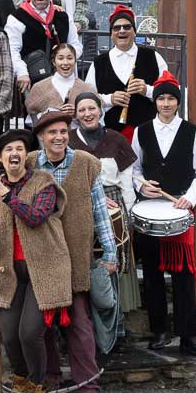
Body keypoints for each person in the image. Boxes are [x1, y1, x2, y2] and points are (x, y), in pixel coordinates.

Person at [31, 110, 117, 393]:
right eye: (52, 133)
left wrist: (109, 252)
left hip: (76, 257)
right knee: (43, 324)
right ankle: (51, 377)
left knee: (80, 326)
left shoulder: (85, 164)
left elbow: (99, 212)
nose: (58, 137)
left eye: (63, 132)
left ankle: (89, 387)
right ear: (41, 137)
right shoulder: (30, 164)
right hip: (42, 260)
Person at [0, 128, 72, 393]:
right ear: (0, 158)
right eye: (8, 150)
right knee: (8, 334)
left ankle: (36, 388)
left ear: (26, 155)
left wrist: (4, 193)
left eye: (19, 148)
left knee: (29, 332)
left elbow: (35, 217)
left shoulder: (43, 183)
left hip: (43, 269)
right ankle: (20, 382)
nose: (14, 154)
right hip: (10, 271)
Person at [131, 72, 196, 358]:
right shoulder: (141, 132)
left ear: (177, 102)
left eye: (171, 99)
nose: (166, 104)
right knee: (153, 273)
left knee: (184, 275)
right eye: (161, 98)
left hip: (180, 213)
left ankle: (188, 337)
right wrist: (142, 185)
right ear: (154, 101)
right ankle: (159, 332)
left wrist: (189, 199)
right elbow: (134, 169)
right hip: (149, 211)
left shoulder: (193, 132)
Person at [70, 92, 140, 320]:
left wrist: (128, 214)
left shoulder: (116, 139)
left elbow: (127, 182)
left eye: (92, 108)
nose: (87, 114)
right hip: (78, 206)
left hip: (113, 204)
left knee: (114, 264)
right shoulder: (68, 140)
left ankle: (116, 324)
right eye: (82, 110)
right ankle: (85, 322)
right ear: (76, 114)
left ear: (100, 111)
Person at [85, 5, 168, 140]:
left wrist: (147, 90)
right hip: (111, 135)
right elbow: (89, 98)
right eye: (116, 28)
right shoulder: (99, 63)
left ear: (134, 32)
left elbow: (169, 92)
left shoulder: (153, 57)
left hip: (149, 134)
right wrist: (109, 99)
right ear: (111, 34)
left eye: (127, 27)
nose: (122, 31)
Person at [7, 0, 82, 94]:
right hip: (31, 82)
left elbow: (76, 45)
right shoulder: (16, 18)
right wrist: (22, 73)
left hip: (62, 81)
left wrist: (65, 58)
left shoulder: (62, 16)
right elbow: (11, 50)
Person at [26, 43, 96, 117]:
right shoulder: (39, 87)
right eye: (60, 58)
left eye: (69, 58)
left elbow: (98, 112)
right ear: (54, 62)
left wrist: (79, 112)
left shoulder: (86, 89)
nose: (65, 63)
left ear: (75, 61)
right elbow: (32, 114)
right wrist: (51, 114)